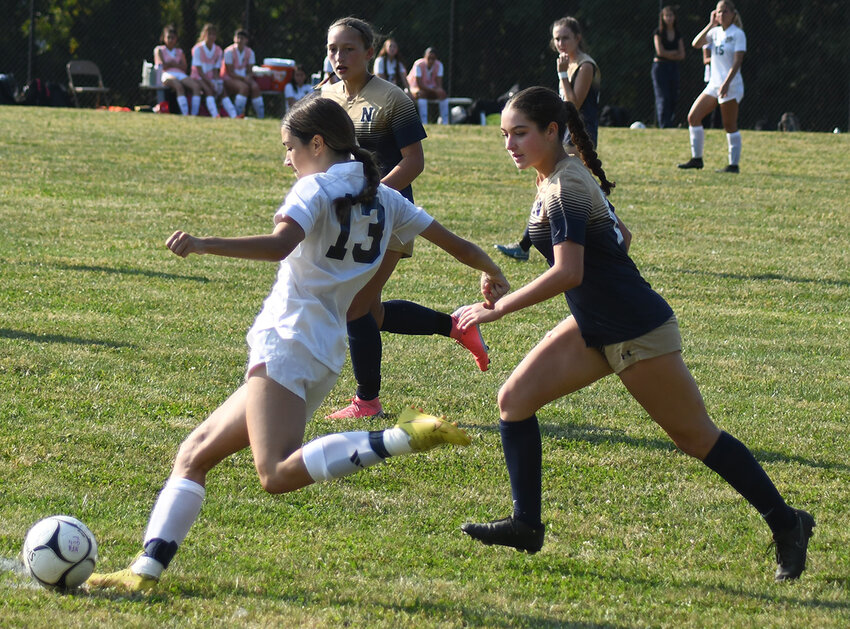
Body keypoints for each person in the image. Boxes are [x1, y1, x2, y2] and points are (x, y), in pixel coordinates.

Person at [85, 96, 509, 593]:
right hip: (323, 349)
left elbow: (280, 244)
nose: (286, 159)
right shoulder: (385, 196)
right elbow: (456, 243)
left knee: (275, 473)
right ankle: (145, 571)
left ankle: (401, 436)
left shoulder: (316, 187)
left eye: (289, 147)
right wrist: (492, 270)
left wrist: (205, 244)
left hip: (288, 340)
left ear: (317, 143)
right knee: (195, 452)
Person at [457, 86, 814, 583]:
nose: (509, 144)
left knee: (696, 438)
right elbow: (622, 237)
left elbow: (569, 273)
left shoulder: (563, 186)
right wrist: (502, 280)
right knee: (513, 400)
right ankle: (526, 524)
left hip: (635, 328)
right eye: (504, 135)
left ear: (552, 132)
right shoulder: (559, 177)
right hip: (596, 325)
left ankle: (787, 522)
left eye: (520, 133)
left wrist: (499, 310)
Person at [322, 17, 493, 420]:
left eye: (348, 49)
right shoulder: (325, 97)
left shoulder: (393, 98)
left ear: (370, 52)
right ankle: (456, 327)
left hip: (390, 215)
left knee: (356, 308)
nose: (339, 57)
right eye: (332, 49)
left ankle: (368, 402)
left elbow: (414, 161)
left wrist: (371, 196)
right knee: (372, 311)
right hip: (347, 219)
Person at [495, 16, 601, 262]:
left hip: (578, 135)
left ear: (578, 38)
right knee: (551, 186)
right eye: (556, 39)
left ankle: (533, 245)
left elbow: (573, 104)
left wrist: (562, 74)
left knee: (563, 188)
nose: (561, 43)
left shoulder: (585, 66)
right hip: (563, 132)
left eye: (565, 37)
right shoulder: (569, 63)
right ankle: (527, 244)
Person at [678, 1, 746, 173]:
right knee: (693, 117)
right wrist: (710, 24)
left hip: (730, 84)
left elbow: (737, 61)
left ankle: (733, 165)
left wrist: (727, 83)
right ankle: (697, 159)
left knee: (729, 125)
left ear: (732, 14)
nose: (721, 15)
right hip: (714, 84)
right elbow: (696, 43)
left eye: (724, 12)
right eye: (718, 12)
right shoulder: (714, 32)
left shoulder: (738, 34)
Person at [190, 23, 238, 119]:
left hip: (211, 79)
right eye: (209, 34)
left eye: (213, 34)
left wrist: (216, 82)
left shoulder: (218, 50)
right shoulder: (197, 49)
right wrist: (210, 83)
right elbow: (199, 71)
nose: (211, 37)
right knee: (208, 90)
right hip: (198, 78)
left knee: (222, 91)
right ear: (204, 35)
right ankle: (215, 115)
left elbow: (216, 70)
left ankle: (234, 115)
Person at [154, 25, 202, 116]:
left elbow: (184, 67)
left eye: (173, 38)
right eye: (168, 37)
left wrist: (172, 64)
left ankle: (194, 114)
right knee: (178, 86)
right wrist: (175, 64)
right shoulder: (159, 50)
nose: (171, 40)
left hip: (180, 74)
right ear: (164, 38)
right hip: (166, 74)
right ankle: (185, 113)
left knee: (196, 87)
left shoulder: (179, 51)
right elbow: (162, 65)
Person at [651, 6, 685, 129]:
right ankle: (664, 125)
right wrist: (673, 53)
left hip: (673, 68)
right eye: (667, 16)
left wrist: (668, 54)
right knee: (663, 97)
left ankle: (670, 123)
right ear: (663, 18)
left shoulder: (678, 33)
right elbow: (660, 52)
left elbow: (682, 54)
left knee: (673, 97)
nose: (669, 18)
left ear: (675, 17)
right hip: (660, 68)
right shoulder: (658, 32)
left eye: (671, 15)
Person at [221, 29, 264, 118]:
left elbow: (250, 70)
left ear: (246, 40)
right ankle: (238, 114)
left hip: (244, 78)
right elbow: (230, 72)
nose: (240, 40)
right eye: (238, 37)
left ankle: (261, 116)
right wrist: (244, 78)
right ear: (234, 39)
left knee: (255, 87)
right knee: (243, 87)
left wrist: (247, 77)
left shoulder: (250, 52)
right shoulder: (228, 51)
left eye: (242, 38)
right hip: (228, 78)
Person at [407, 47, 449, 125]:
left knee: (443, 94)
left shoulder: (439, 65)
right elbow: (419, 85)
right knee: (422, 94)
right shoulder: (418, 64)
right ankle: (424, 122)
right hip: (415, 88)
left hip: (430, 89)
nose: (431, 61)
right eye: (429, 58)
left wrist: (439, 91)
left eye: (433, 58)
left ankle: (445, 122)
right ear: (424, 57)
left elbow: (439, 85)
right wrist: (435, 91)